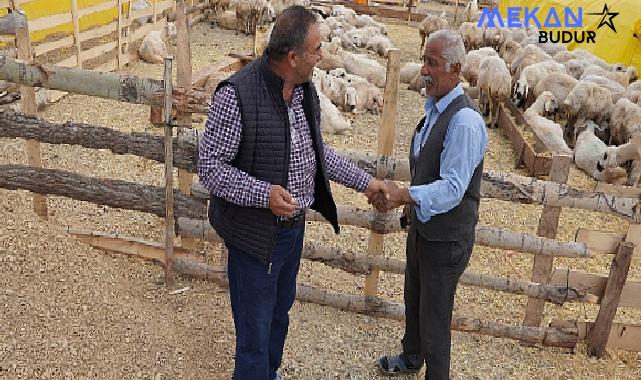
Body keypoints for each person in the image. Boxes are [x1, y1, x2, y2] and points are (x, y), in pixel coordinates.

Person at [197, 6, 387, 380]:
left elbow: (319, 155)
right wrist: (262, 193)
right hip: (253, 240)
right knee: (253, 336)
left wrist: (367, 183)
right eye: (316, 50)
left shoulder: (305, 93)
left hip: (291, 233)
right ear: (293, 57)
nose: (321, 56)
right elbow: (211, 169)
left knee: (278, 318)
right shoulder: (236, 96)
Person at [373, 30, 488, 380]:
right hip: (425, 228)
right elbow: (428, 169)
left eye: (432, 63)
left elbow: (453, 189)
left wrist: (405, 195)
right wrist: (411, 203)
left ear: (455, 69)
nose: (424, 70)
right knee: (416, 298)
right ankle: (411, 357)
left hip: (447, 238)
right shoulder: (434, 112)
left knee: (435, 316)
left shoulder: (464, 121)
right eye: (424, 60)